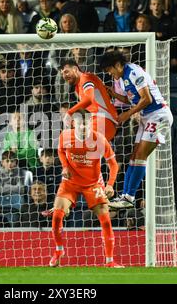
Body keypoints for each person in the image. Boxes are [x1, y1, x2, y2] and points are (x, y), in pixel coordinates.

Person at [99, 50, 173, 209]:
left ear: (117, 64)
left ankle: (129, 197)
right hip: (148, 117)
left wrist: (127, 114)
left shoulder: (133, 72)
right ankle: (125, 196)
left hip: (158, 115)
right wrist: (113, 94)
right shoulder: (123, 78)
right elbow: (131, 98)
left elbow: (147, 99)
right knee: (134, 157)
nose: (110, 74)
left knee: (140, 156)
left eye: (109, 70)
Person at [50, 109, 122, 268]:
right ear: (74, 123)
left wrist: (110, 184)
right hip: (70, 182)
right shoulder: (65, 136)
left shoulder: (99, 139)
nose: (84, 127)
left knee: (105, 220)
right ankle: (59, 250)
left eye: (88, 123)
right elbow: (61, 151)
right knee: (56, 216)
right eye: (81, 123)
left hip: (93, 183)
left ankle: (110, 261)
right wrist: (65, 166)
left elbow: (113, 164)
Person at [59, 59, 119, 141]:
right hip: (97, 121)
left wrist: (69, 113)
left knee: (79, 145)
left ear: (75, 69)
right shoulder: (78, 87)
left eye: (66, 72)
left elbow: (88, 99)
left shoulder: (86, 78)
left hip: (103, 120)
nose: (64, 76)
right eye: (62, 74)